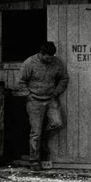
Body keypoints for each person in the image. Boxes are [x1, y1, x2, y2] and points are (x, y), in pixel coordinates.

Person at [18, 41, 69, 169]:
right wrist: (28, 95)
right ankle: (34, 160)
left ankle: (44, 138)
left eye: (51, 57)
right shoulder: (30, 62)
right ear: (41, 53)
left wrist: (56, 92)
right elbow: (20, 81)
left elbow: (64, 78)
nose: (49, 60)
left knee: (57, 123)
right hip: (34, 100)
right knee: (35, 132)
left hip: (51, 99)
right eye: (47, 57)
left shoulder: (56, 62)